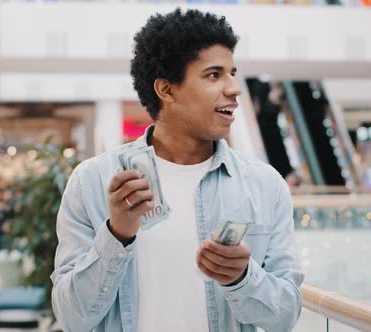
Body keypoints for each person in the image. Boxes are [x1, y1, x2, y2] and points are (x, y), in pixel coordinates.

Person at [51, 8, 304, 332]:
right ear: (166, 89)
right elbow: (72, 317)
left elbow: (285, 316)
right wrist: (117, 234)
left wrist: (244, 278)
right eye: (214, 75)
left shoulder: (265, 186)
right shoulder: (93, 181)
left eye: (232, 72)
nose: (234, 88)